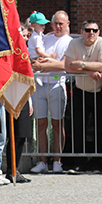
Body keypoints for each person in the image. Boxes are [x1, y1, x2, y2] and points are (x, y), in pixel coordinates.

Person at [61, 20, 102, 169]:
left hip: (99, 92)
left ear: (98, 32)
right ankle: (79, 162)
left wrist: (82, 65)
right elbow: (68, 66)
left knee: (101, 127)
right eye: (88, 30)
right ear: (81, 32)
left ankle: (99, 162)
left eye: (94, 30)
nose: (91, 33)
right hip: (80, 90)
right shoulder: (74, 44)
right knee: (78, 127)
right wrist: (89, 71)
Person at [30, 11, 74, 173]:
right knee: (41, 123)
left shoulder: (69, 42)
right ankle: (42, 161)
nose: (57, 26)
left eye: (61, 23)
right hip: (40, 84)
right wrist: (47, 63)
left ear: (67, 24)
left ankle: (57, 160)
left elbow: (64, 65)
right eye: (55, 23)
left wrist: (43, 66)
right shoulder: (45, 38)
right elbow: (35, 57)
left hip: (57, 83)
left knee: (57, 123)